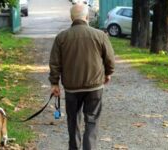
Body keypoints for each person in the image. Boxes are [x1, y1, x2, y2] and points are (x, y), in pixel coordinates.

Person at [49, 3, 115, 150]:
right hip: (95, 87)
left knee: (73, 121)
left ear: (71, 18)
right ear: (87, 17)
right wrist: (108, 73)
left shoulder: (61, 37)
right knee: (92, 121)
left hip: (72, 89)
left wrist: (54, 83)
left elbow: (55, 63)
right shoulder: (100, 35)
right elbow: (110, 59)